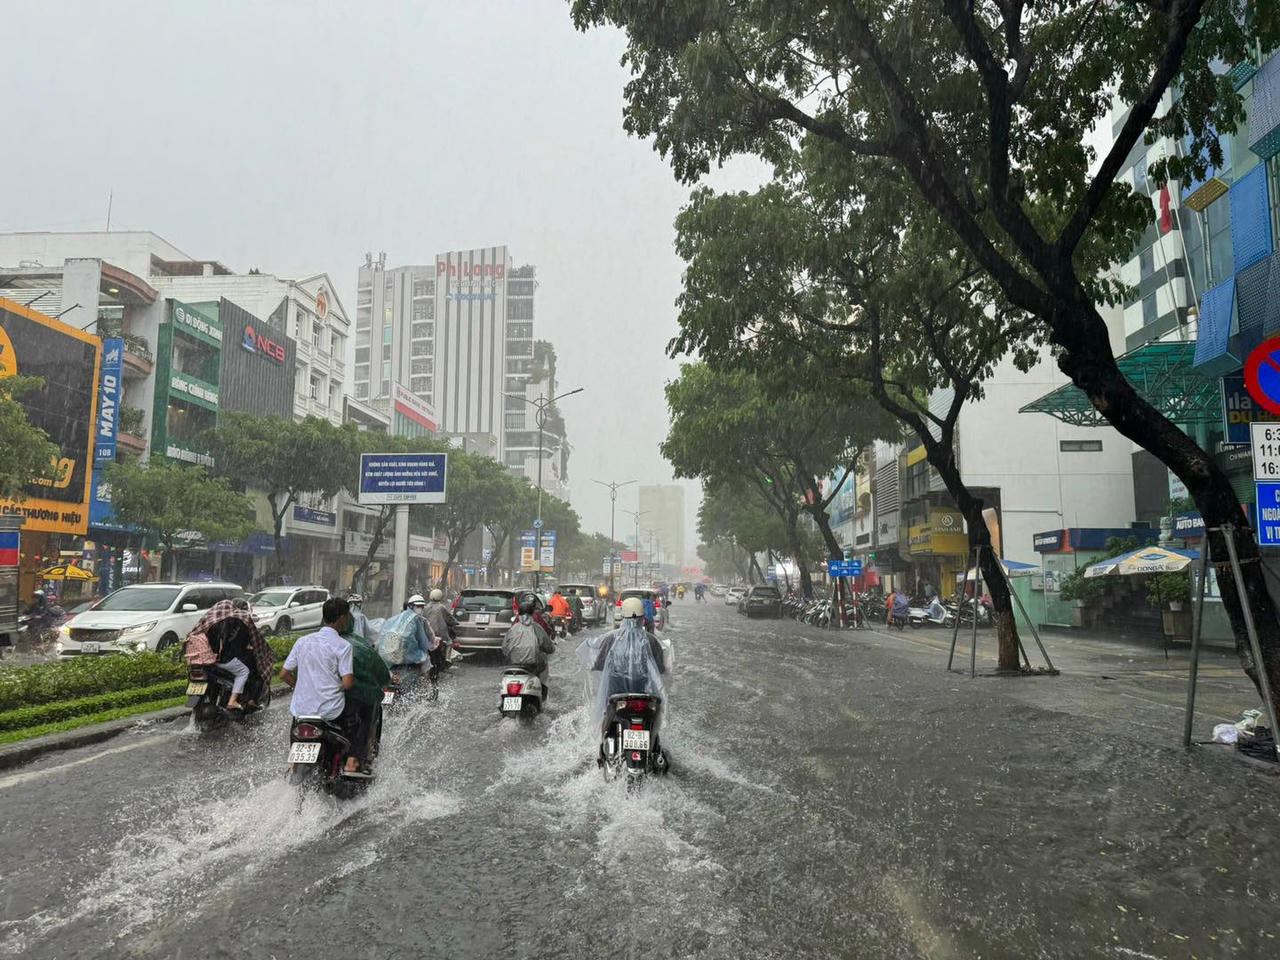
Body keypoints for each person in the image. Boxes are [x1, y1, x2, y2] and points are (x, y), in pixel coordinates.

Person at [280, 598, 368, 777]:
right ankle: (352, 762)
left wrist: (300, 687)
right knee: (364, 712)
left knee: (297, 729)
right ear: (342, 618)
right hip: (330, 710)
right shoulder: (343, 645)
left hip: (302, 710)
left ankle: (292, 765)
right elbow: (348, 683)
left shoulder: (303, 641)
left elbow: (283, 674)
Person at [579, 596, 668, 734]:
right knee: (653, 722)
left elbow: (599, 663)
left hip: (616, 694)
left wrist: (594, 666)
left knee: (606, 724)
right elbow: (660, 669)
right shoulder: (651, 640)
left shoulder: (610, 638)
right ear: (642, 616)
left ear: (623, 615)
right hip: (645, 695)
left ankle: (605, 744)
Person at [187, 599, 274, 712]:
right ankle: (239, 701)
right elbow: (250, 641)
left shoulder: (212, 623)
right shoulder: (241, 623)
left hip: (211, 661)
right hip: (227, 660)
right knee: (247, 673)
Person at [339, 616, 392, 765]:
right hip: (346, 704)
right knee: (368, 711)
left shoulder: (308, 643)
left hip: (309, 707)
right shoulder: (358, 646)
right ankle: (354, 760)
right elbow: (382, 675)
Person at [503, 594, 557, 689]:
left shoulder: (513, 628)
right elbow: (548, 645)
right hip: (533, 665)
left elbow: (504, 647)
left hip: (514, 664)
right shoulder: (537, 627)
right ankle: (542, 689)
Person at [422, 588, 458, 676]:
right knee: (449, 642)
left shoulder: (426, 607)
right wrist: (455, 622)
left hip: (427, 633)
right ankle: (448, 658)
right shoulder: (441, 607)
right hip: (440, 633)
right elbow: (449, 618)